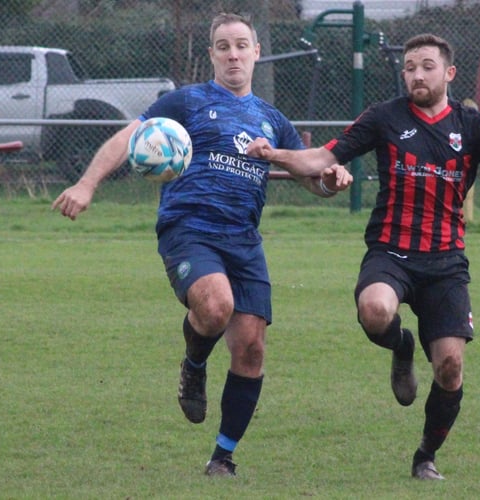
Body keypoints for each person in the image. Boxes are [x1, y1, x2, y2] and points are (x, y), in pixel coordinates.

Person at [52, 12, 353, 477]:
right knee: (216, 307)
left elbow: (309, 177)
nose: (233, 53)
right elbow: (127, 137)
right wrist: (88, 184)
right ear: (212, 55)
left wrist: (331, 182)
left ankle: (222, 457)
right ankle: (194, 363)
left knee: (251, 348)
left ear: (256, 52)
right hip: (189, 227)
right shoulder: (187, 101)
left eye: (241, 45)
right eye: (223, 46)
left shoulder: (273, 120)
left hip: (244, 239)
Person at [247, 33, 480, 480]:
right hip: (391, 252)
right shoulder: (384, 117)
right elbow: (321, 158)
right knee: (376, 310)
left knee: (451, 367)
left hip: (445, 262)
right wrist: (275, 154)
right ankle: (401, 346)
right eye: (409, 67)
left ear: (449, 73)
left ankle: (425, 456)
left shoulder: (473, 125)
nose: (416, 75)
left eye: (426, 66)